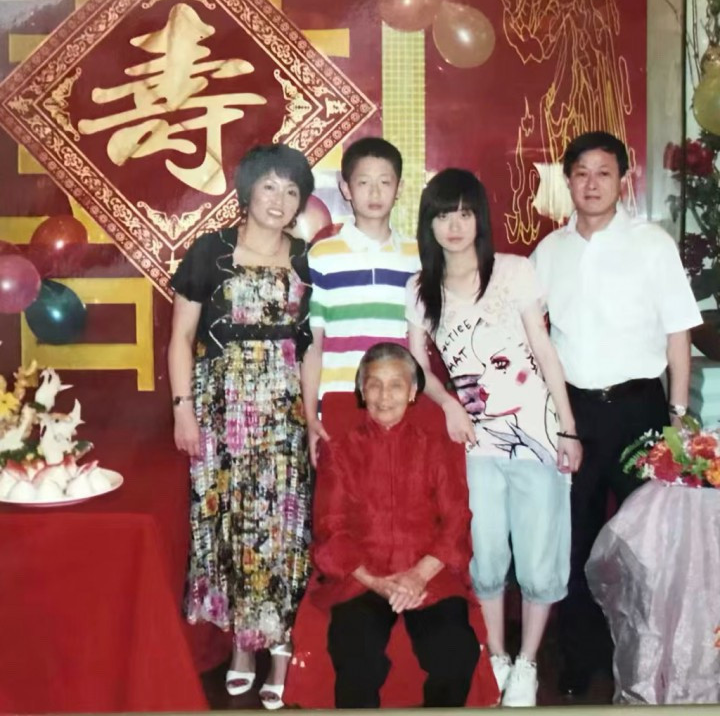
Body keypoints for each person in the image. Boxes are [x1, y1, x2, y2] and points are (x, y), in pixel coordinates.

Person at [530, 130, 703, 696]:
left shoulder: (652, 244)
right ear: (568, 181)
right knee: (574, 538)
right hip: (575, 416)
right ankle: (579, 659)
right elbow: (531, 333)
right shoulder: (549, 252)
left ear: (623, 180)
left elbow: (678, 335)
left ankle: (646, 657)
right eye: (581, 173)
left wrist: (678, 417)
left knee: (645, 543)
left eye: (604, 172)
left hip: (640, 412)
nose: (592, 183)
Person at [406, 168, 582, 707]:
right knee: (483, 554)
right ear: (429, 224)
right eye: (443, 215)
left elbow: (545, 350)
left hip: (537, 434)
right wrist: (448, 405)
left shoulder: (513, 270)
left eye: (465, 213)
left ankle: (527, 663)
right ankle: (497, 656)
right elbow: (418, 367)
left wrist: (568, 428)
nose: (455, 225)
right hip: (473, 440)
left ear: (479, 218)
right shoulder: (420, 288)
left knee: (539, 553)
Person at [168, 144, 315, 710]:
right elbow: (181, 338)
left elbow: (311, 347)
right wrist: (183, 409)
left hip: (283, 415)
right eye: (270, 186)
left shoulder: (305, 259)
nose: (280, 200)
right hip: (221, 409)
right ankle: (241, 648)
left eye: (292, 191)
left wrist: (311, 419)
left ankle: (279, 645)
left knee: (280, 529)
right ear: (248, 190)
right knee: (233, 528)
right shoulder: (211, 251)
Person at [311, 342, 483, 708]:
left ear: (413, 392)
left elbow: (457, 518)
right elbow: (330, 527)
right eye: (374, 385)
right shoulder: (339, 451)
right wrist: (376, 582)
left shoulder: (436, 447)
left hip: (429, 575)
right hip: (362, 578)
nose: (384, 395)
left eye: (395, 385)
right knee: (356, 657)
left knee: (455, 653)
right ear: (361, 391)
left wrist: (419, 575)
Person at [301, 137, 420, 465]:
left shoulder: (416, 257)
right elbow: (313, 347)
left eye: (385, 182)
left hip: (398, 407)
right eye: (364, 182)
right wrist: (311, 418)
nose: (375, 193)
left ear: (400, 188)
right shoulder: (322, 256)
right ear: (346, 188)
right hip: (338, 407)